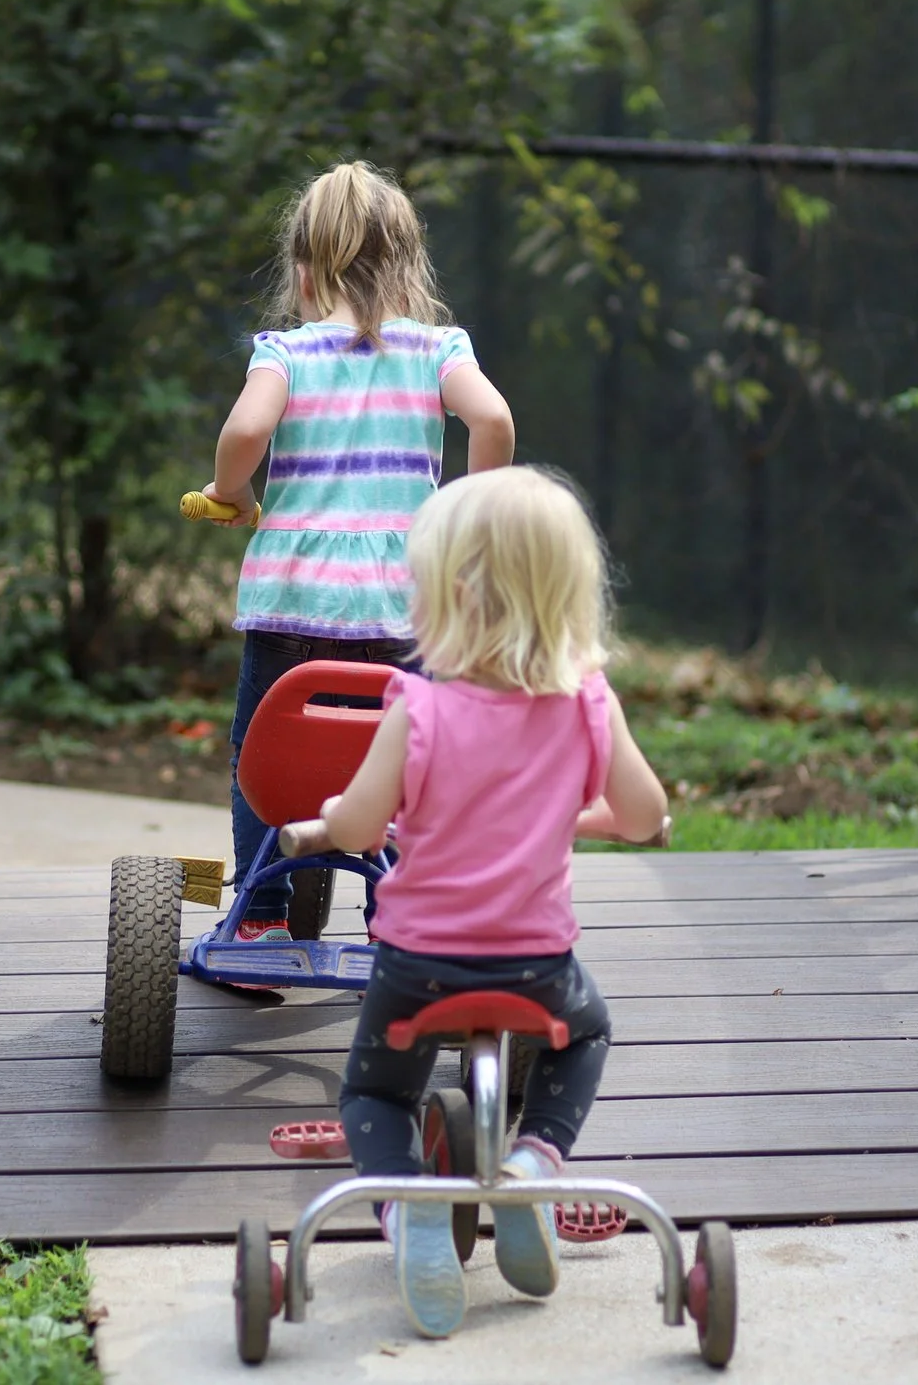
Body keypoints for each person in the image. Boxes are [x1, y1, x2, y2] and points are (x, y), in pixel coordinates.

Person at [278, 467, 671, 1337]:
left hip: (418, 964)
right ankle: (534, 1159)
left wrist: (335, 819)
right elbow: (645, 815)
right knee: (590, 1029)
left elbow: (359, 822)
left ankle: (410, 1206)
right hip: (538, 966)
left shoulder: (415, 709)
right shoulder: (587, 705)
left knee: (374, 1097)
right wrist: (585, 814)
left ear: (452, 595)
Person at [198, 160, 514, 942]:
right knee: (411, 761)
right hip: (404, 608)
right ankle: (396, 918)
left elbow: (244, 433)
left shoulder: (287, 352)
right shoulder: (439, 349)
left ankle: (262, 918)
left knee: (260, 753)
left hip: (294, 606)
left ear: (303, 272)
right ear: (408, 272)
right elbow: (495, 422)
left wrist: (230, 491)